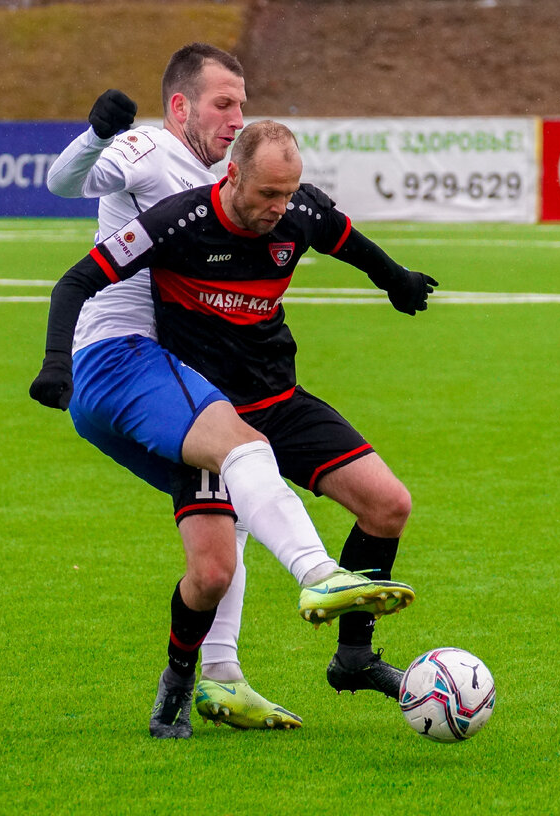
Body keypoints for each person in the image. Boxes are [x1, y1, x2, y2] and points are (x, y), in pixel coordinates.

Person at [39, 47, 415, 739]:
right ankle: (317, 573)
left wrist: (391, 275)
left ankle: (226, 678)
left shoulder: (242, 181)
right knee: (244, 461)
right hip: (132, 357)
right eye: (224, 103)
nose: (236, 115)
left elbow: (333, 230)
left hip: (222, 382)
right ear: (180, 106)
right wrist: (94, 135)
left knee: (218, 560)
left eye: (241, 104)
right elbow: (65, 185)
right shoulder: (150, 153)